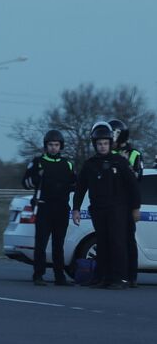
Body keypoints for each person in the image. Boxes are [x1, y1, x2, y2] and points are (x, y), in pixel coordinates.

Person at [72, 122, 140, 290]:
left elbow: (133, 186)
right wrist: (76, 208)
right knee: (102, 244)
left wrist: (135, 208)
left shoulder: (120, 162)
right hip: (98, 209)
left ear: (110, 144)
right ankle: (103, 277)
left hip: (117, 210)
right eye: (99, 143)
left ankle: (120, 279)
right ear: (95, 145)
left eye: (105, 143)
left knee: (117, 243)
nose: (102, 146)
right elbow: (80, 188)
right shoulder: (90, 164)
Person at [22, 130, 77, 286]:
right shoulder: (38, 162)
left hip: (61, 209)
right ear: (46, 146)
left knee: (58, 244)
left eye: (56, 145)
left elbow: (75, 184)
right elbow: (25, 183)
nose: (53, 148)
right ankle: (38, 275)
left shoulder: (67, 164)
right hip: (44, 208)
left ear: (61, 146)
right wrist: (37, 176)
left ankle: (59, 276)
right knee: (41, 243)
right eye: (51, 145)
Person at [109, 118, 144, 287]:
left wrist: (124, 164)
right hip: (111, 203)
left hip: (128, 204)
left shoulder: (134, 154)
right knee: (112, 240)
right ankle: (112, 274)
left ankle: (131, 276)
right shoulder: (108, 154)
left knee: (128, 240)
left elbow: (138, 178)